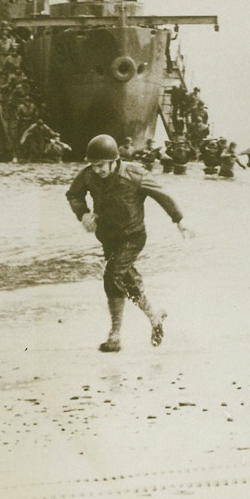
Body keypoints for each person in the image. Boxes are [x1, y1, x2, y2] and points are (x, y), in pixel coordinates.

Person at [65, 134, 191, 353]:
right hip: (108, 236)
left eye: (101, 165)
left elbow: (162, 195)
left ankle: (115, 336)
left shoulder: (135, 174)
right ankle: (154, 316)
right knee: (121, 278)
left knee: (112, 274)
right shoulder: (88, 175)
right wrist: (83, 214)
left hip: (133, 236)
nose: (97, 170)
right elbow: (73, 194)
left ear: (115, 160)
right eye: (93, 165)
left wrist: (179, 220)